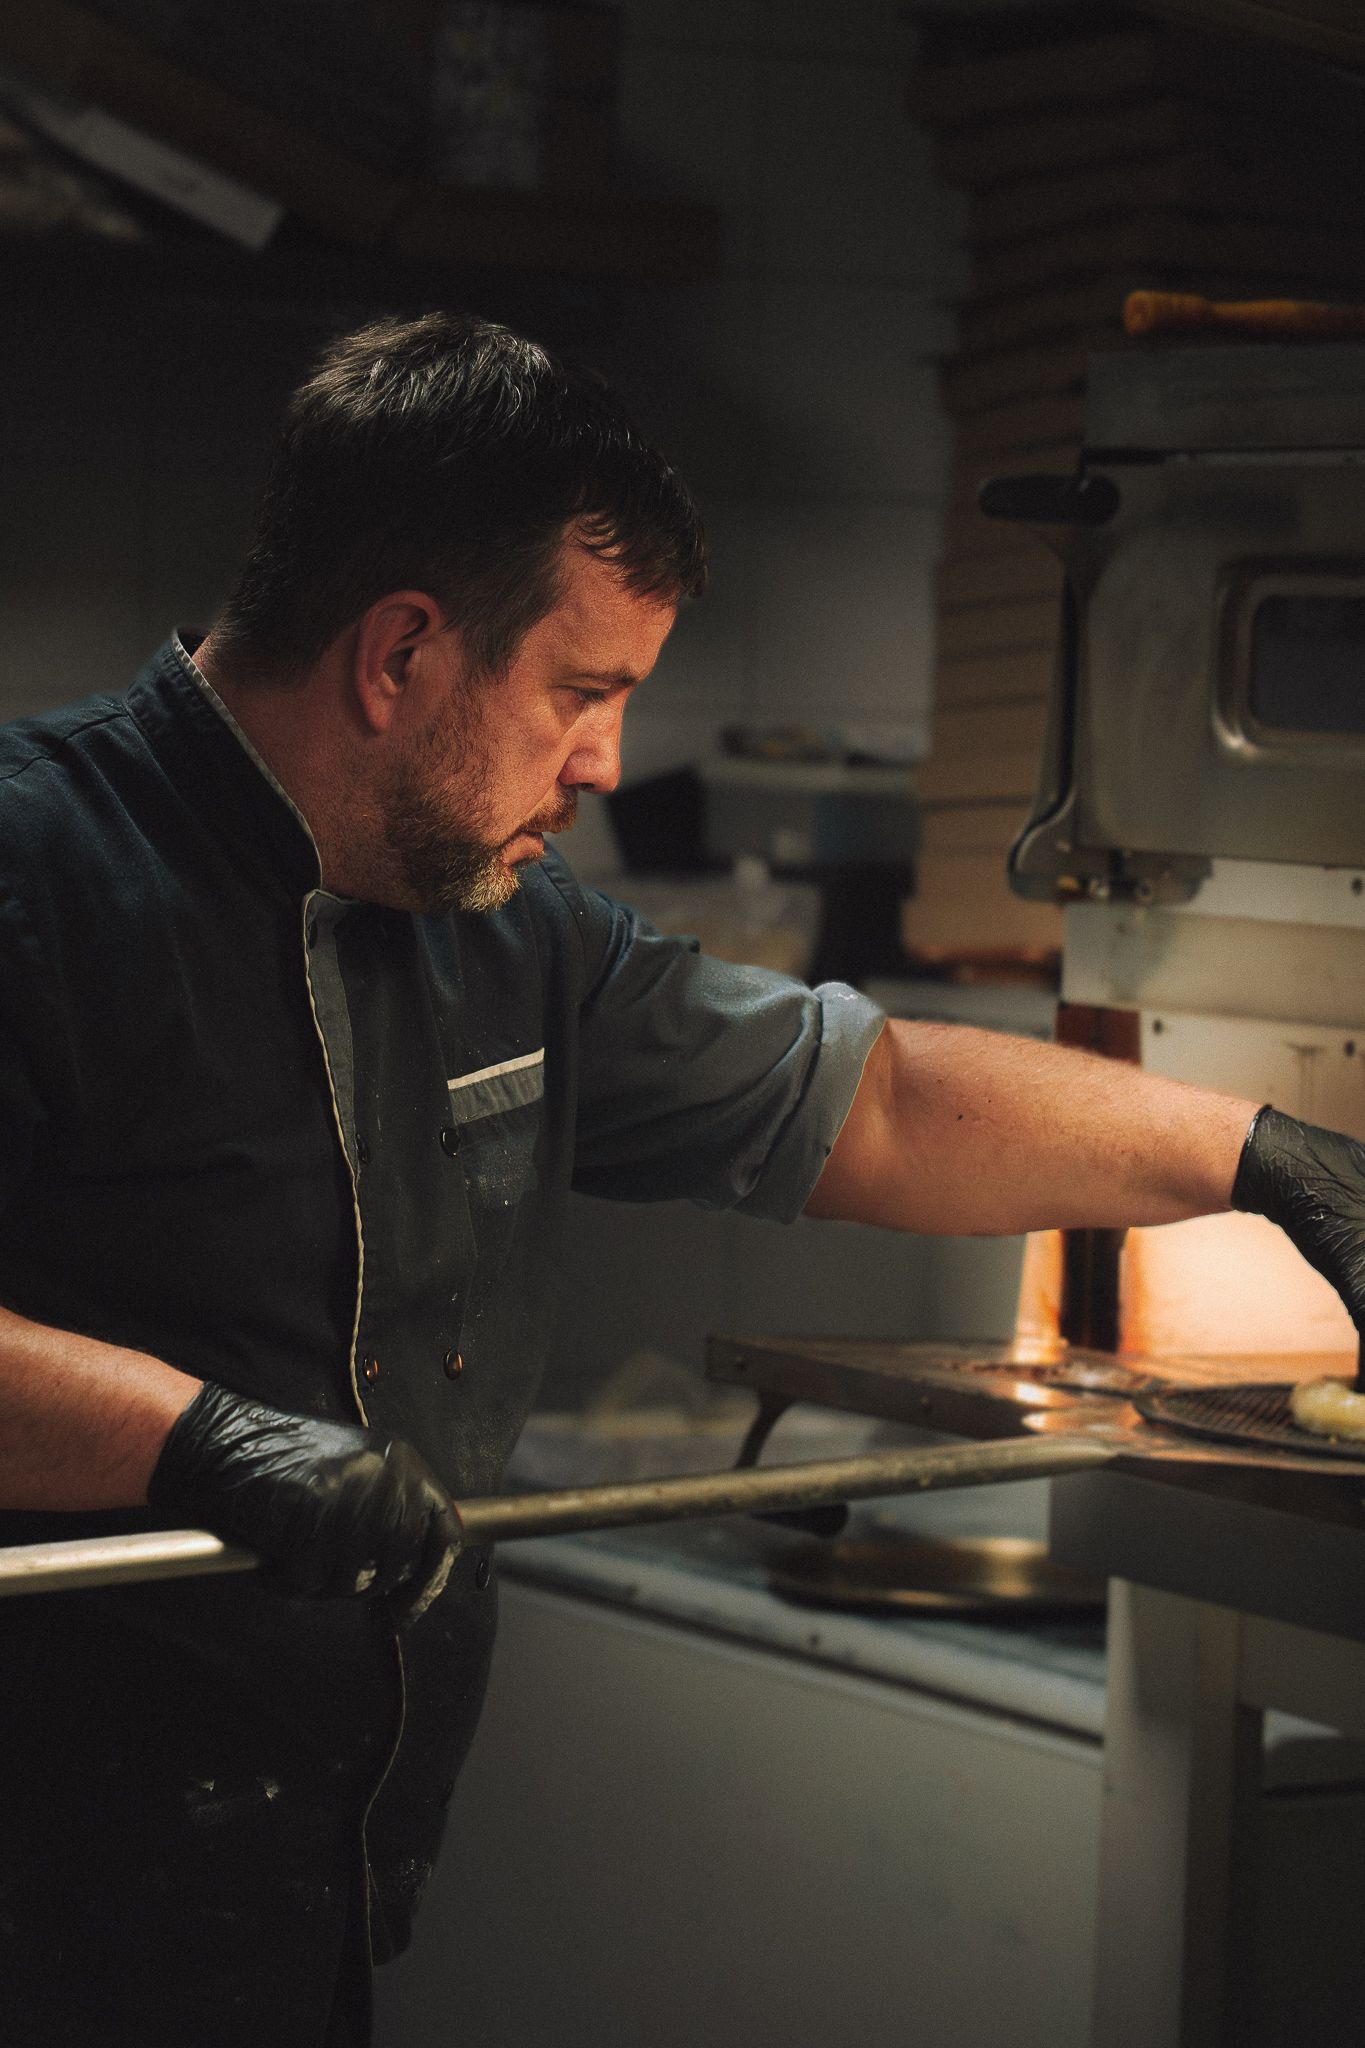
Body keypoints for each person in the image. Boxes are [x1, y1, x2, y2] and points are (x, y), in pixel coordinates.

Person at [0, 310, 1362, 2048]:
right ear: (401, 654)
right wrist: (199, 1443)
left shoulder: (506, 937)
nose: (606, 764)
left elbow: (873, 1104)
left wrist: (1262, 1157)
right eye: (581, 692)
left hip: (310, 1897)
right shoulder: (36, 871)